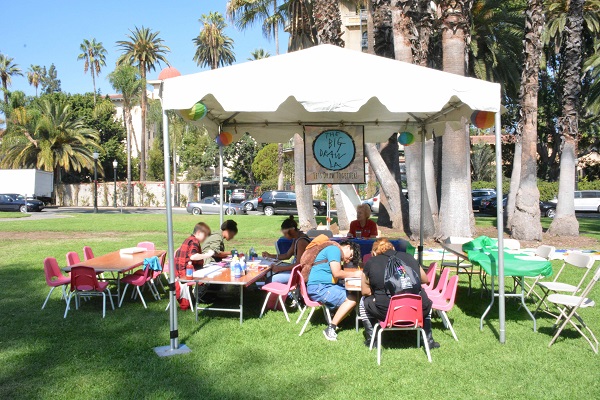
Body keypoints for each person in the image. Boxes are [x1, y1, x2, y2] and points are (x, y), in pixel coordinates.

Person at [360, 238, 439, 349]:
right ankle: (428, 340)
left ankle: (372, 339)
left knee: (362, 301)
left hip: (387, 312)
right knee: (424, 297)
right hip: (418, 310)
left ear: (373, 253)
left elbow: (365, 292)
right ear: (393, 248)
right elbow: (425, 279)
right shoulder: (408, 257)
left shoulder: (371, 262)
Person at [306, 240, 362, 341]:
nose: (348, 260)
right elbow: (337, 273)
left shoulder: (333, 250)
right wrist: (355, 274)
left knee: (351, 293)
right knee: (352, 300)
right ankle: (331, 328)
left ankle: (336, 315)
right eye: (351, 255)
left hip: (322, 286)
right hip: (319, 288)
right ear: (347, 247)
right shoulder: (334, 250)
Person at [174, 222, 215, 310]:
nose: (205, 238)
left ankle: (194, 298)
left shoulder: (188, 239)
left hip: (179, 271)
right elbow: (193, 256)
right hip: (186, 273)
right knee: (209, 276)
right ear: (199, 233)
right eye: (205, 235)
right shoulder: (194, 241)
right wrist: (207, 255)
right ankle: (200, 297)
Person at [263, 216, 310, 284]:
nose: (284, 236)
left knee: (270, 280)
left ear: (291, 231)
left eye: (285, 234)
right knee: (272, 275)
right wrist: (270, 255)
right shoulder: (297, 238)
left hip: (300, 274)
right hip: (297, 271)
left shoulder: (301, 242)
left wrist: (279, 268)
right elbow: (287, 255)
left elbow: (298, 264)